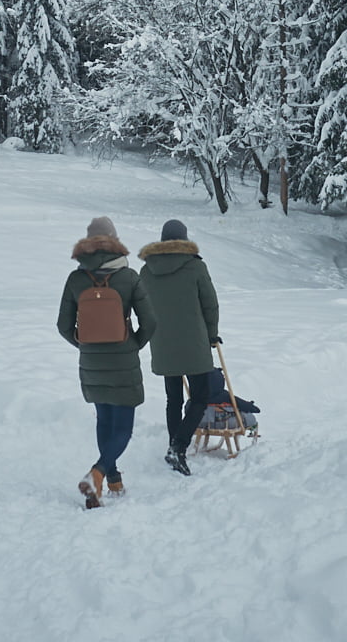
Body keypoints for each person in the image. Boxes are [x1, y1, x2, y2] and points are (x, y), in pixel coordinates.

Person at [57, 216, 156, 508]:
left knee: (105, 420)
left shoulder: (76, 279)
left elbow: (63, 325)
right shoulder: (129, 277)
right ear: (114, 241)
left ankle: (112, 482)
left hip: (91, 362)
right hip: (123, 358)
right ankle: (98, 473)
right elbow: (150, 321)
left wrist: (84, 345)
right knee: (123, 427)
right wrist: (134, 343)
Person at [138, 219, 220, 476]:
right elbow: (210, 304)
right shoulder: (195, 266)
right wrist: (212, 334)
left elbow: (142, 307)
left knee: (173, 399)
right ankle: (178, 447)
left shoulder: (146, 270)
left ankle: (174, 446)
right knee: (200, 397)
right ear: (184, 240)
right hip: (193, 343)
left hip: (162, 343)